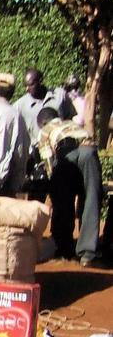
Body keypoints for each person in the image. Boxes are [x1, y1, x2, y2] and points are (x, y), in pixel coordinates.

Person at [38, 108, 103, 265]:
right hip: (89, 150)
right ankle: (87, 253)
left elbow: (48, 161)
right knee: (91, 198)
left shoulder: (45, 130)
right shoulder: (71, 123)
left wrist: (53, 181)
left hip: (66, 152)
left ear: (42, 122)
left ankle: (64, 248)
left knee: (62, 199)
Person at [15, 68, 76, 147]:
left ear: (40, 81)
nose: (27, 89)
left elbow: (71, 118)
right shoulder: (20, 106)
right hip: (37, 150)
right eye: (25, 85)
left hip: (62, 147)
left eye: (31, 85)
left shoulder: (60, 96)